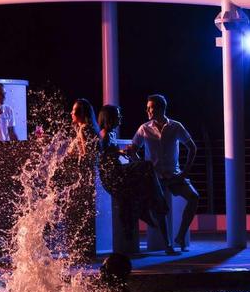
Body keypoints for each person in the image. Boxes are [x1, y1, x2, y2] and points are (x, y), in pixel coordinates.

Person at [97, 105, 177, 255]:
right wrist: (119, 153)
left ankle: (148, 208)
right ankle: (150, 208)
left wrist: (121, 152)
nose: (120, 118)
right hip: (112, 176)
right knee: (147, 166)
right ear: (110, 118)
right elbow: (103, 157)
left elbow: (111, 153)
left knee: (146, 172)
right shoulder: (105, 134)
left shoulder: (111, 133)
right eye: (118, 115)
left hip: (117, 171)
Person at [128, 94, 199, 252]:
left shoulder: (175, 126)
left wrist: (185, 172)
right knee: (160, 210)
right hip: (155, 178)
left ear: (161, 108)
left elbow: (192, 147)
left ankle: (180, 236)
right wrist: (143, 166)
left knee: (194, 197)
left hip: (174, 175)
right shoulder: (144, 128)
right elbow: (133, 150)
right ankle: (168, 245)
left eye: (150, 107)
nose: (147, 110)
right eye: (147, 108)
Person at [62, 98, 100, 262]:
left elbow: (86, 155)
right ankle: (80, 251)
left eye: (74, 110)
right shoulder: (87, 129)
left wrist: (72, 163)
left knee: (77, 215)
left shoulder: (84, 130)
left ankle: (79, 252)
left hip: (80, 177)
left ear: (82, 114)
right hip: (83, 177)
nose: (71, 113)